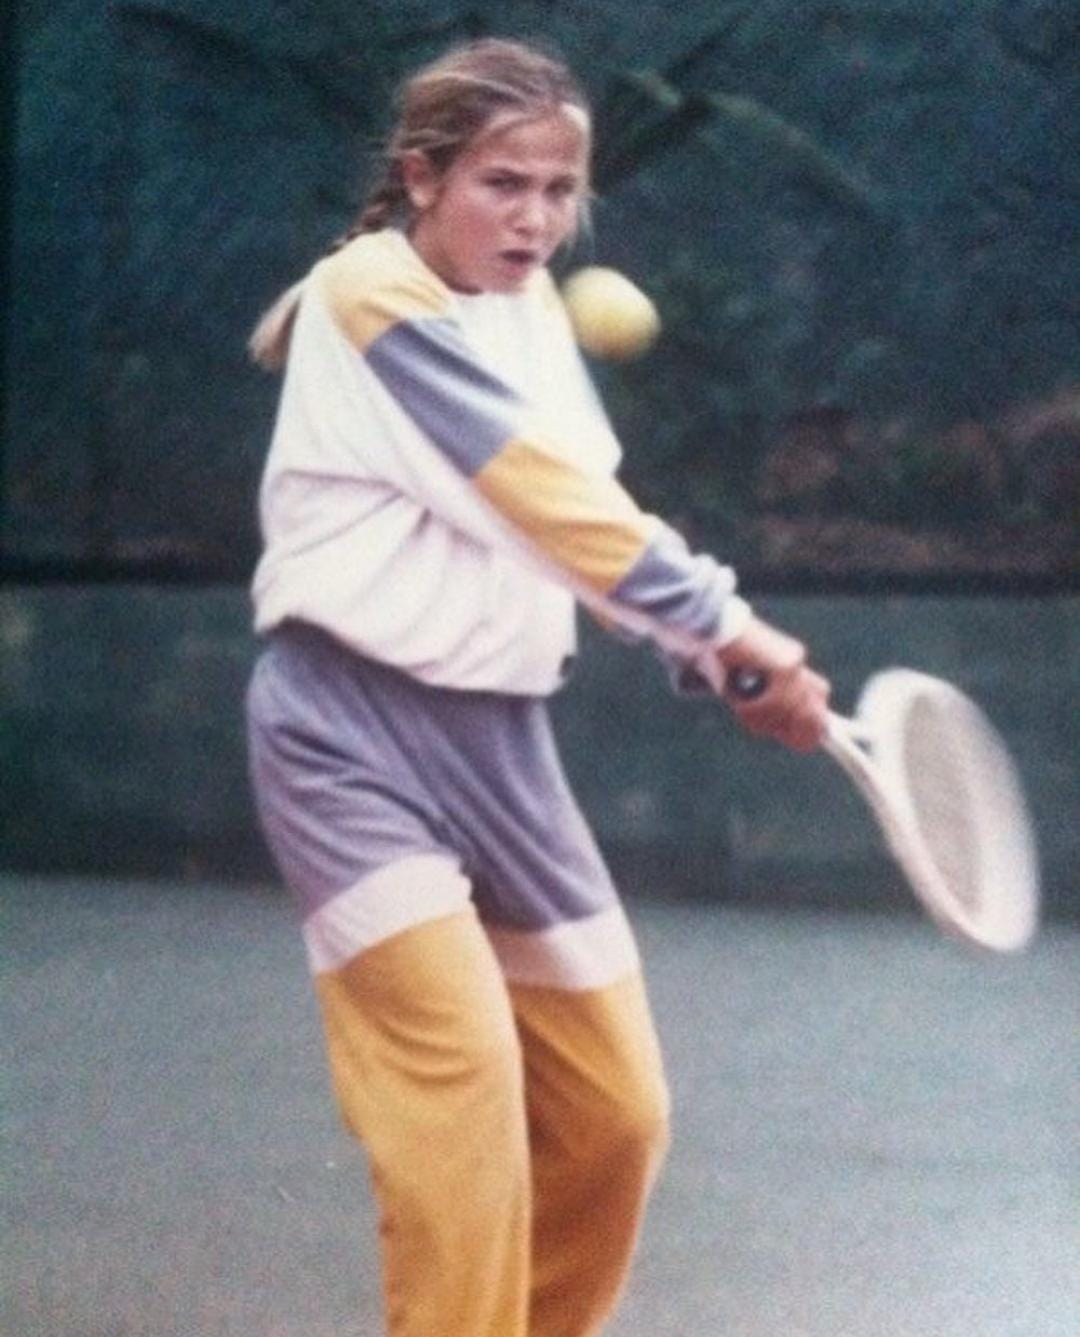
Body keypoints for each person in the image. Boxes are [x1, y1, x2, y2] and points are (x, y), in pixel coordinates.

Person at [245, 36, 830, 1337]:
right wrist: (733, 633)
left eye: (560, 190)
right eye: (504, 184)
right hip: (345, 742)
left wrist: (715, 652)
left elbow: (580, 531)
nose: (537, 218)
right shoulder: (369, 296)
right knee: (459, 1106)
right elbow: (540, 496)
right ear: (421, 177)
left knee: (616, 1118)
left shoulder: (529, 319)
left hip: (503, 751)